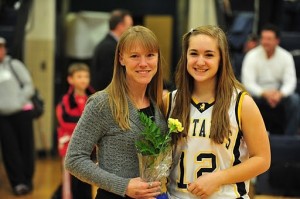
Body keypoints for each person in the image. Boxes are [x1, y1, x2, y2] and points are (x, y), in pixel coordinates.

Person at [165, 25, 271, 198]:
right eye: (193, 53)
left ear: (222, 59)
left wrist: (218, 178)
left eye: (209, 55)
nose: (200, 61)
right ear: (185, 57)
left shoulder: (242, 104)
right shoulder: (169, 102)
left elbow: (262, 159)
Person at [65, 25, 167, 199]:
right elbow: (74, 159)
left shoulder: (159, 102)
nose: (143, 63)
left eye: (150, 55)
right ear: (121, 59)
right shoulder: (102, 103)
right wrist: (124, 186)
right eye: (134, 56)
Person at [241, 24, 300, 135]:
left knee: (295, 100)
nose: (265, 42)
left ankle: (289, 137)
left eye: (269, 39)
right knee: (244, 99)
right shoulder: (251, 56)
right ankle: (247, 135)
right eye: (263, 38)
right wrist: (264, 93)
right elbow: (248, 82)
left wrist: (280, 94)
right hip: (258, 94)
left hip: (278, 95)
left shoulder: (286, 56)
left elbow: (290, 82)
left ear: (277, 41)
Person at [53, 63, 95, 199]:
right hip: (69, 148)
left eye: (86, 76)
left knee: (86, 180)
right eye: (79, 76)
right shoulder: (65, 101)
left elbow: (100, 120)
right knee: (69, 184)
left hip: (88, 148)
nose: (83, 80)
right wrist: (88, 124)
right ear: (70, 79)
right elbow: (65, 121)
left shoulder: (94, 98)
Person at [0, 36, 35, 195]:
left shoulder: (14, 65)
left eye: (1, 47)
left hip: (22, 112)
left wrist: (18, 101)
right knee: (10, 150)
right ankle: (17, 183)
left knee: (25, 147)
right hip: (3, 117)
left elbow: (28, 85)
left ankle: (28, 179)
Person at [91, 8, 133, 91]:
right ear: (120, 26)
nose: (131, 29)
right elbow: (108, 77)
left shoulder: (110, 44)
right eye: (130, 26)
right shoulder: (109, 47)